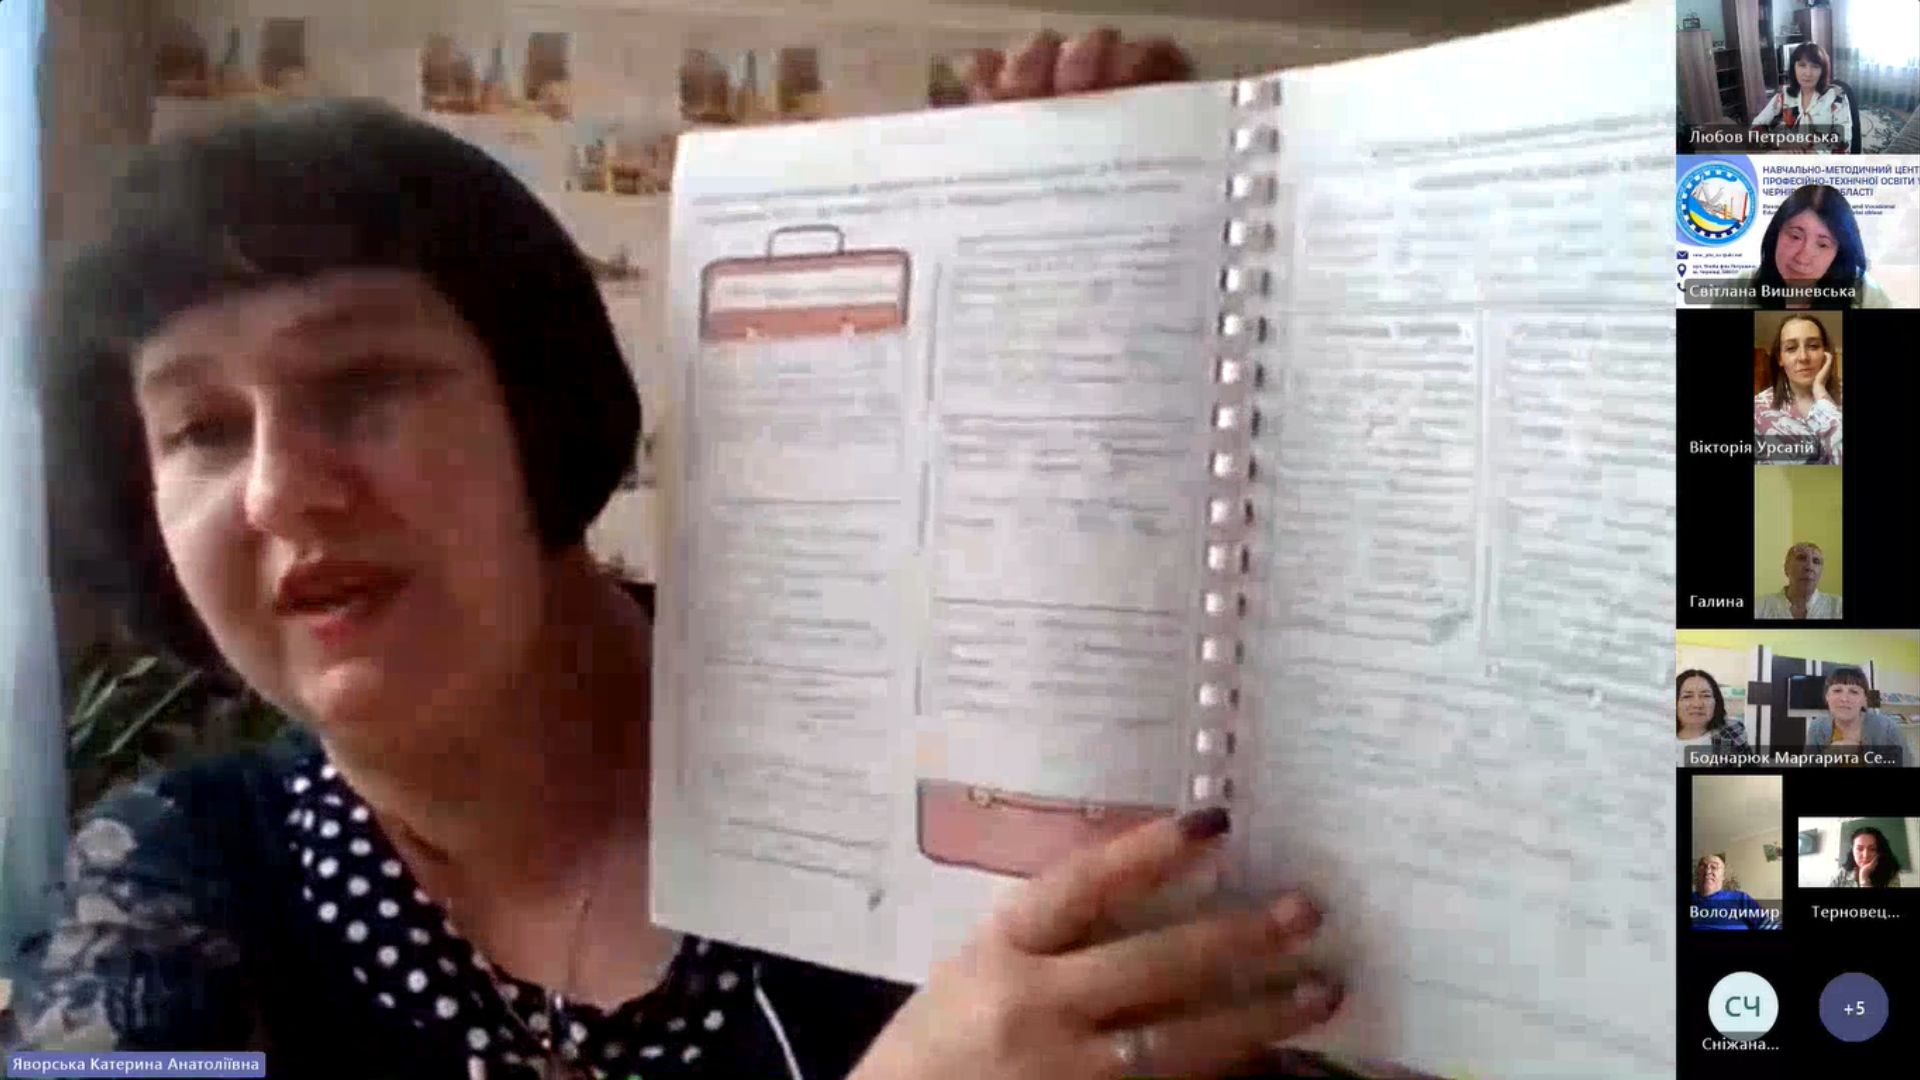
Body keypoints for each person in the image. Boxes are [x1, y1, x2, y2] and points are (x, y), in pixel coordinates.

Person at [2, 28, 1411, 1080]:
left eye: (361, 385)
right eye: (200, 429)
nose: (279, 491)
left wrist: (1110, 251)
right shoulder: (177, 887)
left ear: (535, 405)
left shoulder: (906, 742)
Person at [1740, 184, 1892, 309]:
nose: (1803, 258)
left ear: (1838, 252)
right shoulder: (1742, 287)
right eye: (1795, 236)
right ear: (1776, 234)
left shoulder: (1869, 299)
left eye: (1823, 245)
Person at [1752, 314, 1841, 466]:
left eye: (1813, 346)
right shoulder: (1758, 409)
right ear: (1780, 358)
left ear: (1826, 354)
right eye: (1791, 348)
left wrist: (1820, 391)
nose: (1803, 357)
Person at [1749, 43, 1852, 154]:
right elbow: (1755, 128)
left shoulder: (1836, 96)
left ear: (1823, 71)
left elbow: (1843, 141)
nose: (1808, 73)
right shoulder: (1784, 94)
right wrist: (1782, 143)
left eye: (1815, 67)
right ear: (1794, 67)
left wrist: (1812, 153)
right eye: (1802, 65)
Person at [1804, 667, 1912, 766]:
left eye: (1854, 692)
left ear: (1865, 700)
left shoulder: (1888, 729)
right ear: (1827, 696)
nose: (1844, 699)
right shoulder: (1817, 727)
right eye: (1837, 691)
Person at [1675, 669, 1751, 764]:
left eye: (1706, 696)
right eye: (1687, 696)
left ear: (1716, 702)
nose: (1697, 704)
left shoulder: (1732, 733)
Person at [1753, 542, 1842, 620]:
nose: (1809, 567)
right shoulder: (1760, 607)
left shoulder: (1838, 607)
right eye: (1801, 558)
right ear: (1786, 568)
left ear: (1821, 572)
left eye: (1816, 561)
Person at [1687, 855, 1775, 930]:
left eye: (1714, 867)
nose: (1707, 871)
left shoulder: (1740, 899)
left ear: (1723, 876)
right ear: (1697, 873)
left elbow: (1769, 925)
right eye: (1703, 866)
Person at [1827, 826, 1905, 888]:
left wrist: (1864, 878)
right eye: (1859, 849)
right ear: (1852, 851)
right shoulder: (1843, 872)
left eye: (1872, 849)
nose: (1865, 855)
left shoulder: (1890, 874)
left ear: (1879, 851)